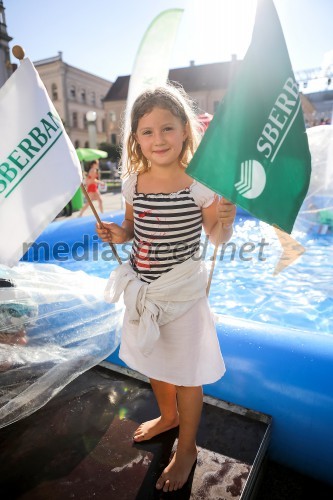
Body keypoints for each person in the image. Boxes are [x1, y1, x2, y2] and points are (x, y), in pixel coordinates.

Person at [96, 84, 236, 493]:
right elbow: (131, 230)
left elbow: (216, 236)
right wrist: (116, 234)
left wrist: (225, 219)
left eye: (167, 129)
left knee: (188, 374)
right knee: (156, 364)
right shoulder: (132, 184)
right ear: (135, 138)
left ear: (184, 131)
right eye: (147, 131)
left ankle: (188, 446)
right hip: (145, 293)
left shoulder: (199, 183)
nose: (158, 139)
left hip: (183, 296)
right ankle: (167, 416)